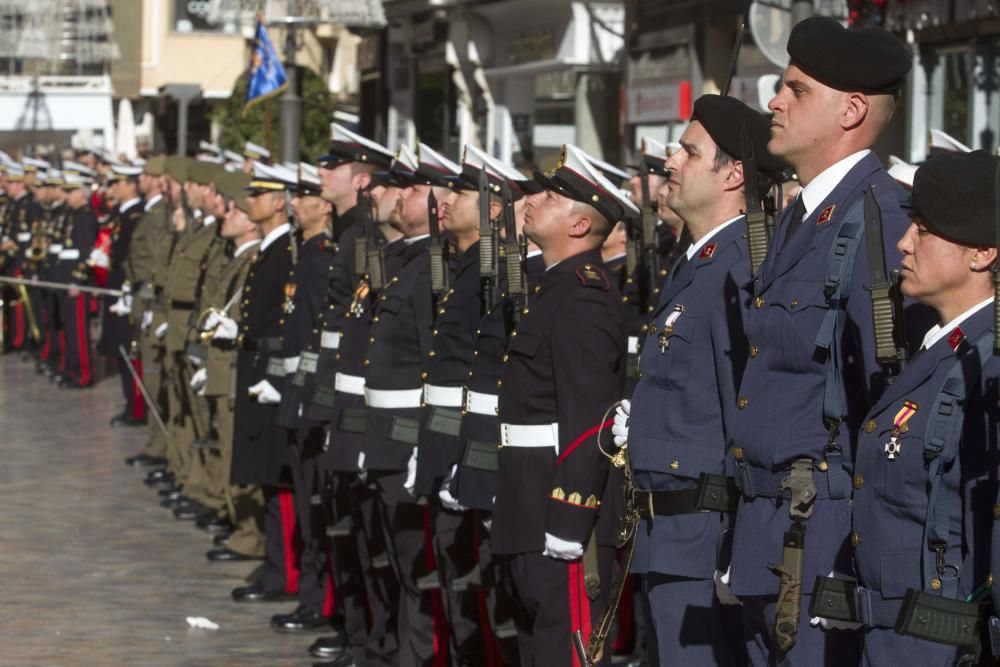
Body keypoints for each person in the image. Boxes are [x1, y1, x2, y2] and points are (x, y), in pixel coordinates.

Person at [724, 16, 919, 664]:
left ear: (852, 110)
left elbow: (892, 407)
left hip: (823, 544)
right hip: (768, 537)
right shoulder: (801, 217)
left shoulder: (881, 222)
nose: (774, 101)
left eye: (796, 89)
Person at [613, 94, 785, 665]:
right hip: (669, 534)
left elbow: (747, 411)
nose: (671, 163)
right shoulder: (700, 260)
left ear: (735, 173)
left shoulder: (740, 266)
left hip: (706, 537)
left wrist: (738, 543)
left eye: (689, 152)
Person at [811, 150, 1000, 664]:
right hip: (894, 638)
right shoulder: (944, 348)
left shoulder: (988, 366)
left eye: (924, 229)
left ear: (982, 252)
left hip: (941, 645)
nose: (903, 242)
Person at [492, 143, 635, 666]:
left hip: (560, 516)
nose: (533, 200)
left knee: (565, 652)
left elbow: (590, 419)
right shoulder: (550, 289)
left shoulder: (583, 299)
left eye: (551, 196)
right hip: (525, 502)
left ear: (578, 225)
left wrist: (570, 519)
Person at [227, 162, 299, 604]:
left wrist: (274, 373)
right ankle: (276, 564)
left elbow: (284, 320)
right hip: (258, 366)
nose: (248, 201)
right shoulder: (270, 249)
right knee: (267, 476)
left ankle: (284, 570)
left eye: (257, 195)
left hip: (272, 370)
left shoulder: (285, 251)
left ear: (277, 202)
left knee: (280, 477)